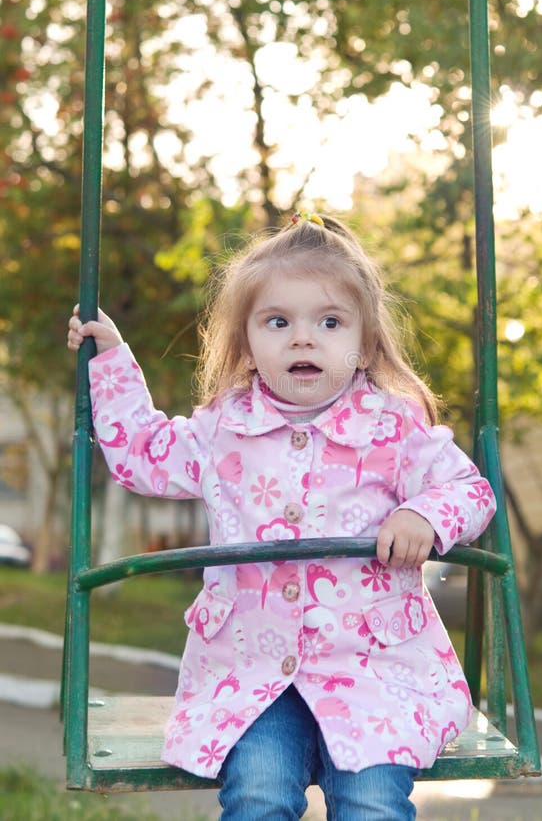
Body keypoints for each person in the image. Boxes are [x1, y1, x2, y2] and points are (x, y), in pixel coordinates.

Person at [67, 211, 496, 820]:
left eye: (329, 322)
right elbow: (142, 455)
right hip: (253, 671)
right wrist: (110, 362)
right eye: (278, 321)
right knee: (258, 793)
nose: (303, 338)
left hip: (372, 668)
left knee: (371, 800)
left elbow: (469, 489)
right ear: (247, 343)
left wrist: (425, 515)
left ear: (366, 342)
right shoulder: (225, 429)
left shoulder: (392, 427)